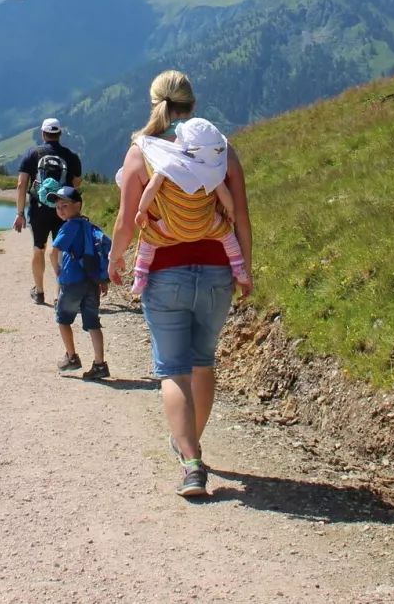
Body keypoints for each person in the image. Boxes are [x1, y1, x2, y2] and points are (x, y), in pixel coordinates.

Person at [110, 70, 252, 498]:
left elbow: (124, 220)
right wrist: (246, 268)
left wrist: (115, 258)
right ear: (193, 105)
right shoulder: (220, 150)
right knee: (202, 360)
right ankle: (192, 442)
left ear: (153, 103)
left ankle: (190, 461)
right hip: (216, 272)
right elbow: (241, 216)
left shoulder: (141, 152)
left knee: (173, 369)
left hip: (164, 273)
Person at [131, 118, 250, 295]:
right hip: (207, 225)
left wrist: (141, 211)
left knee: (148, 240)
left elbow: (151, 188)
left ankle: (140, 276)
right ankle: (239, 267)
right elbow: (225, 194)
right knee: (227, 236)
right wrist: (230, 211)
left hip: (172, 226)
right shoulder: (212, 169)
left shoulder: (166, 164)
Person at [13, 117, 82, 306]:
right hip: (64, 209)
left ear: (43, 134)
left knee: (39, 248)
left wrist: (20, 214)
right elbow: (76, 185)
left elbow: (21, 185)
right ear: (59, 134)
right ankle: (59, 295)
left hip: (39, 208)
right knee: (60, 250)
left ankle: (40, 292)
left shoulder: (32, 153)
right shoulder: (71, 156)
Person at [49, 185, 111, 380]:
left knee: (63, 318)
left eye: (64, 205)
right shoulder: (90, 226)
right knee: (93, 323)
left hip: (72, 281)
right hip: (91, 281)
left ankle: (72, 356)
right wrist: (102, 280)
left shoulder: (69, 226)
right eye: (58, 206)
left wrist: (58, 271)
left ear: (77, 205)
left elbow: (53, 252)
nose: (60, 210)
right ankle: (100, 365)